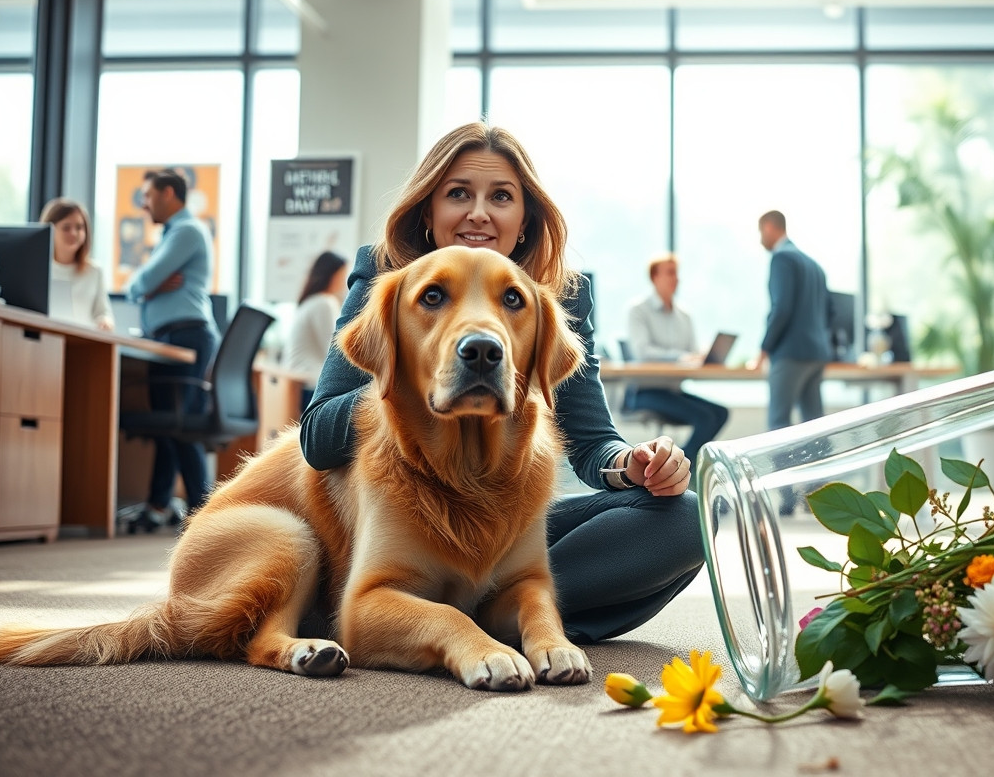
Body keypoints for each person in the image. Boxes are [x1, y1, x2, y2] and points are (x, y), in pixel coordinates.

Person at [300, 122, 704, 643]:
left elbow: (590, 439)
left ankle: (486, 612)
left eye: (501, 197)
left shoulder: (560, 296)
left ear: (524, 220)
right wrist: (423, 370)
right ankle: (425, 611)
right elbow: (317, 437)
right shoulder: (388, 275)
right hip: (405, 517)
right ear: (428, 212)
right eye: (458, 193)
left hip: (509, 524)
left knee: (687, 519)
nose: (479, 212)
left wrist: (631, 464)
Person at [123, 170, 221, 534]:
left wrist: (147, 287)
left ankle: (206, 518)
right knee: (170, 426)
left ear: (168, 193)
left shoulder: (186, 231)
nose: (144, 203)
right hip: (171, 337)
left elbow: (140, 283)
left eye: (148, 195)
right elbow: (140, 286)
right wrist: (146, 286)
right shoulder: (173, 234)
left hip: (185, 335)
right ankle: (158, 505)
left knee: (181, 428)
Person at [625, 253, 729, 461]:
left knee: (721, 413)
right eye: (670, 273)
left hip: (673, 391)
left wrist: (701, 356)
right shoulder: (638, 310)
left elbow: (692, 353)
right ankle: (681, 465)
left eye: (677, 273)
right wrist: (682, 357)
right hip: (645, 391)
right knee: (705, 418)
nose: (676, 278)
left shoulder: (684, 315)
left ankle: (679, 463)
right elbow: (642, 352)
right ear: (654, 277)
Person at [750, 209, 830, 431]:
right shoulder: (814, 265)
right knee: (815, 426)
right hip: (816, 354)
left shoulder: (782, 258)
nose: (760, 240)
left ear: (769, 227)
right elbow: (831, 311)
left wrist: (764, 349)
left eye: (760, 232)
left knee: (779, 425)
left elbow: (781, 309)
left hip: (791, 354)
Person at [285, 250, 349, 413]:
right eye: (342, 275)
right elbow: (334, 351)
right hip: (311, 386)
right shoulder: (324, 302)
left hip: (297, 384)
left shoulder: (310, 301)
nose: (345, 281)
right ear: (331, 275)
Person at [41, 198, 113, 330]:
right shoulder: (38, 270)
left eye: (79, 227)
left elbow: (103, 313)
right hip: (47, 337)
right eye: (66, 228)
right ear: (50, 230)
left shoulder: (95, 271)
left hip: (83, 339)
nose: (74, 233)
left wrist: (105, 321)